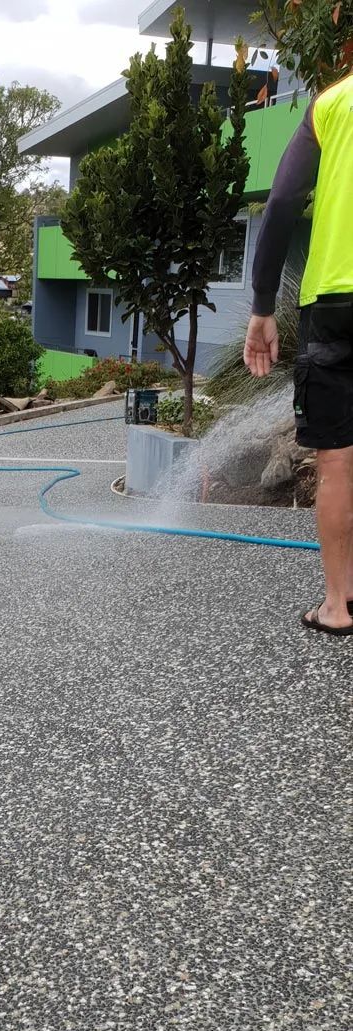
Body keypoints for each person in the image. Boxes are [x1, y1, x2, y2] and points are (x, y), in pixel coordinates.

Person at [244, 71, 353, 635]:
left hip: (334, 300)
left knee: (337, 461)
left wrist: (264, 305)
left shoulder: (330, 104)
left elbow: (284, 199)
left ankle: (338, 606)